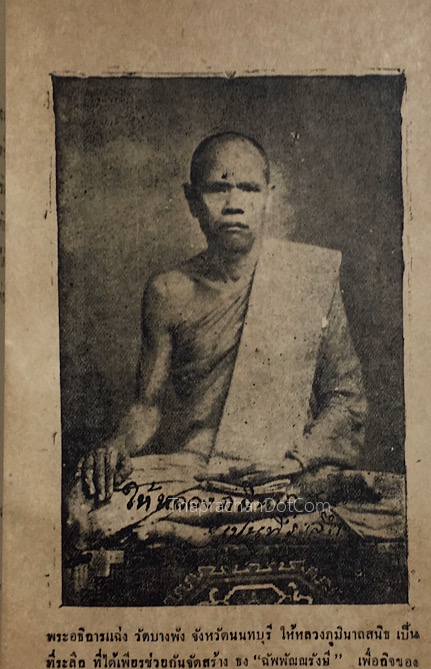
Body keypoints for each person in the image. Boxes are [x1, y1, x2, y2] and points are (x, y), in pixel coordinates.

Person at [77, 131, 367, 505]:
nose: (234, 205)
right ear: (192, 200)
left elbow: (346, 399)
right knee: (85, 506)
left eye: (249, 189)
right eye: (218, 189)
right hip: (197, 474)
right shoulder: (168, 292)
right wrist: (115, 446)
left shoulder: (307, 277)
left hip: (288, 472)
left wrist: (296, 462)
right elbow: (147, 407)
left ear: (269, 197)